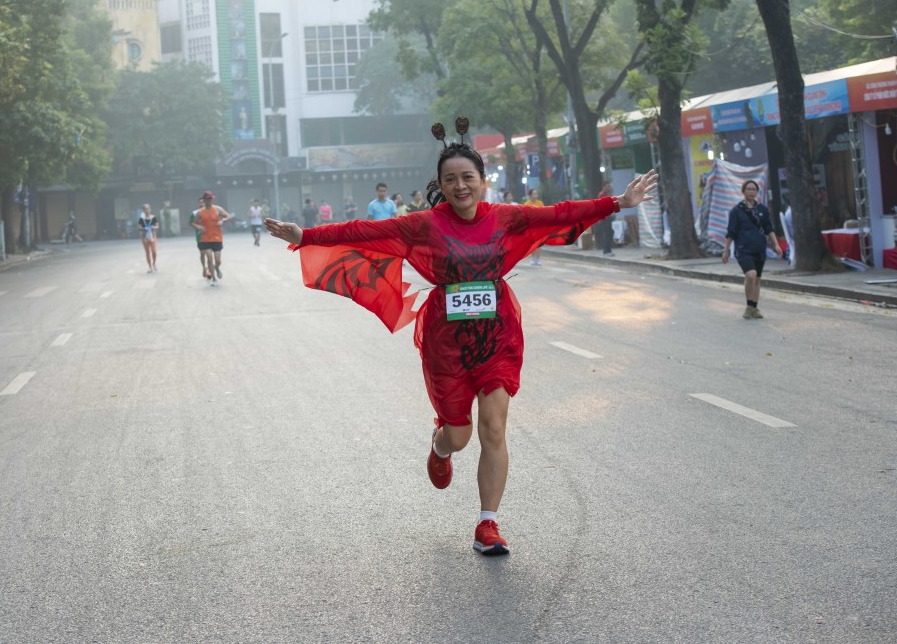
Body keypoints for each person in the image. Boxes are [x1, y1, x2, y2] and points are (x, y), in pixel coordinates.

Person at [265, 123, 658, 555]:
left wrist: (618, 202)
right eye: (450, 179)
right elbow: (364, 232)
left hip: (498, 336)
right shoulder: (423, 225)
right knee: (459, 434)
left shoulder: (507, 217)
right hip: (446, 345)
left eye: (468, 177)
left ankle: (487, 525)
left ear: (482, 180)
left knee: (493, 427)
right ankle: (439, 447)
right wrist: (306, 236)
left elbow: (560, 213)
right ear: (441, 185)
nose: (460, 185)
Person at [722, 179, 783, 319]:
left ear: (757, 192)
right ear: (743, 192)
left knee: (757, 279)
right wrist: (726, 251)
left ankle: (754, 308)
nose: (751, 192)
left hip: (759, 248)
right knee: (751, 275)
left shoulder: (762, 209)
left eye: (754, 189)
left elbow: (769, 228)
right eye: (748, 189)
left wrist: (776, 244)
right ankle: (749, 305)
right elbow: (730, 232)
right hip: (743, 249)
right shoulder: (736, 211)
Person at [191, 191, 232, 286]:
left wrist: (223, 220)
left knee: (218, 260)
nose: (209, 200)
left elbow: (228, 216)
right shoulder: (201, 212)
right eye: (208, 199)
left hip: (217, 238)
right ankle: (213, 278)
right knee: (209, 258)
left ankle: (216, 267)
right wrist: (199, 227)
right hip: (205, 238)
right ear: (204, 200)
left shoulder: (217, 209)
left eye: (211, 198)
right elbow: (193, 222)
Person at [523, 188, 545, 265]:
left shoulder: (540, 203)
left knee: (539, 244)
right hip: (531, 227)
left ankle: (538, 259)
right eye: (534, 194)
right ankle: (533, 258)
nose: (535, 195)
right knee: (532, 244)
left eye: (536, 193)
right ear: (530, 195)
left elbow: (544, 213)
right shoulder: (526, 204)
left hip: (539, 226)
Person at [594, 182, 615, 256]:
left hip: (608, 216)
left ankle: (608, 250)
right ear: (604, 187)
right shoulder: (602, 194)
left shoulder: (607, 194)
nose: (609, 187)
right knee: (606, 234)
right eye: (608, 186)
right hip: (604, 217)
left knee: (609, 233)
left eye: (609, 186)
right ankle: (606, 251)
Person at [189, 196, 207, 277]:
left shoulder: (211, 211)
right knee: (203, 253)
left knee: (210, 254)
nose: (201, 204)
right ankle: (204, 267)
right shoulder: (194, 213)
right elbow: (191, 223)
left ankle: (210, 269)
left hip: (211, 236)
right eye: (200, 202)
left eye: (203, 202)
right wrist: (198, 227)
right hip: (200, 236)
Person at [138, 204, 158, 273]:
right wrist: (144, 228)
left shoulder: (153, 217)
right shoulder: (142, 219)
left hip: (152, 236)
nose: (147, 210)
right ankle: (150, 267)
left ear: (150, 209)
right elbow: (138, 227)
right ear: (143, 210)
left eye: (148, 208)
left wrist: (153, 227)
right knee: (147, 252)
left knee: (154, 251)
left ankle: (154, 263)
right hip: (144, 237)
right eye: (145, 209)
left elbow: (157, 226)